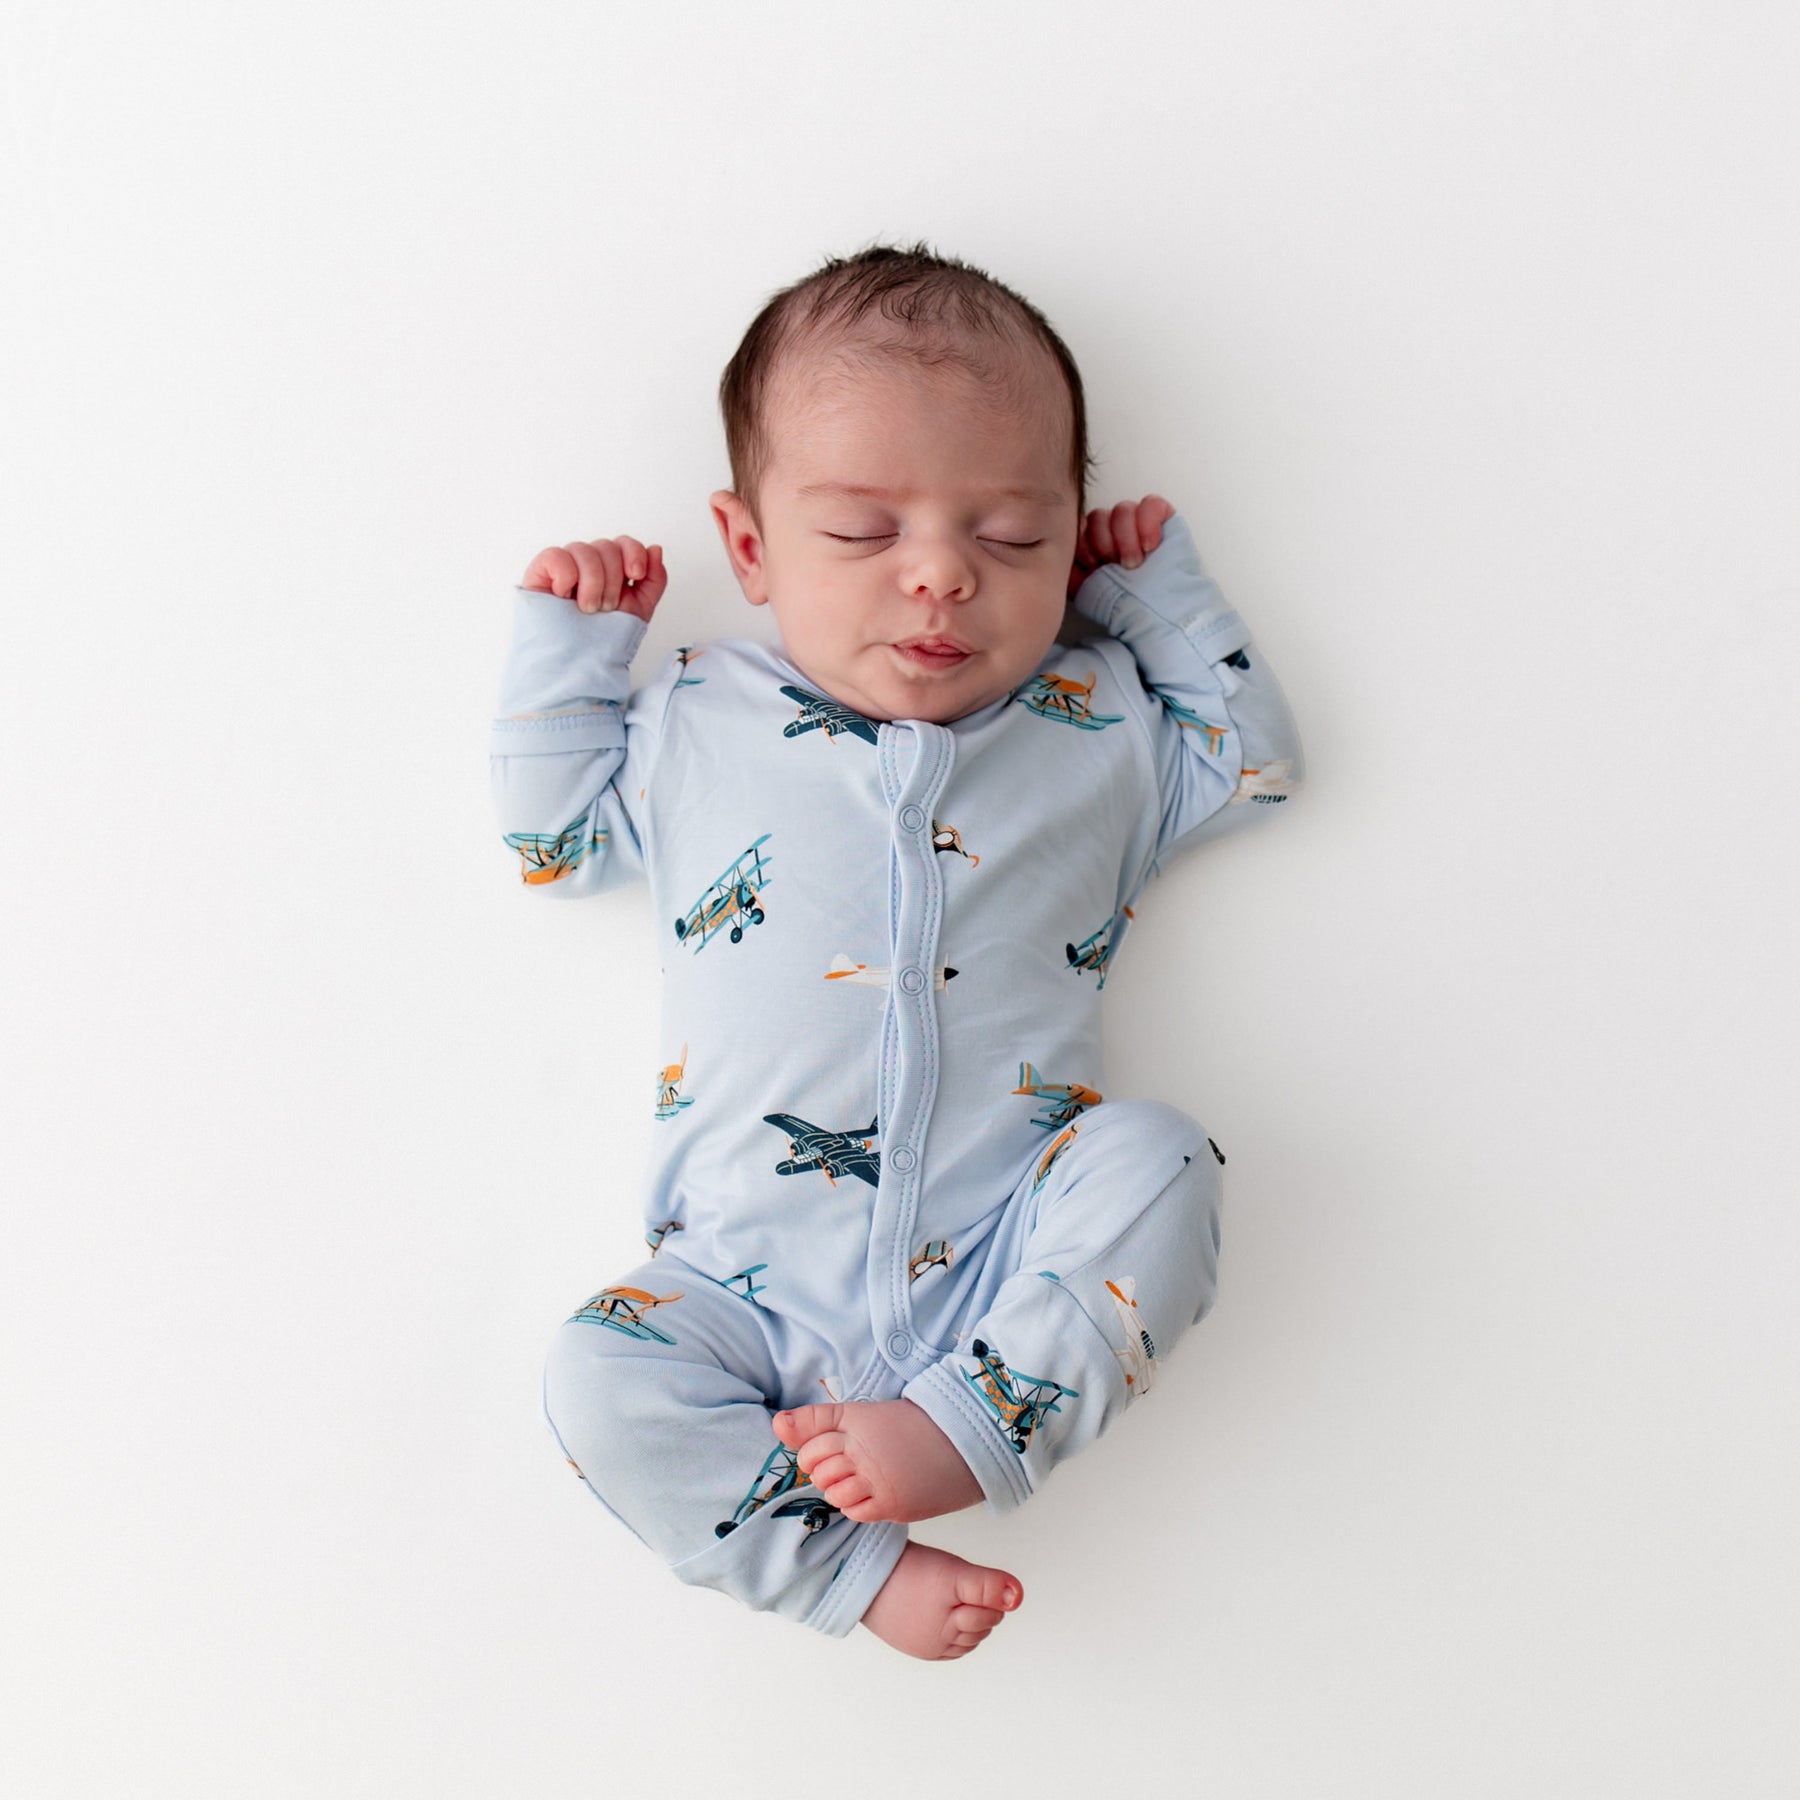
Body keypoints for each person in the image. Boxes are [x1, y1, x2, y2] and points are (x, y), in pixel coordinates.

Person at [490, 244, 1303, 1660]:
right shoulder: (696, 716)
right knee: (596, 1378)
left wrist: (1152, 593)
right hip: (738, 1276)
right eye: (865, 535)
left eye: (1011, 538)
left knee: (1166, 1160)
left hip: (1012, 1252)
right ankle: (848, 1577)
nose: (939, 577)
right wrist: (567, 651)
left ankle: (976, 1422)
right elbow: (551, 844)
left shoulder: (1099, 722)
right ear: (747, 551)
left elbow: (1254, 762)